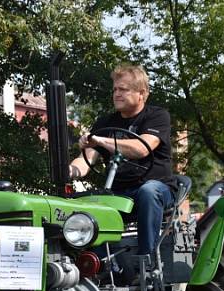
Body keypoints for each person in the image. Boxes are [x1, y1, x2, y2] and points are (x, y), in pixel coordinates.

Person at [68, 64, 175, 258]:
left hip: (158, 191)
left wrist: (100, 139)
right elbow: (86, 160)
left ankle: (147, 262)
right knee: (83, 204)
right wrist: (69, 171)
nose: (116, 94)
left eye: (123, 89)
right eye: (115, 89)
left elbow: (142, 148)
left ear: (142, 93)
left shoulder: (157, 117)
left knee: (148, 191)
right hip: (118, 193)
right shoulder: (105, 123)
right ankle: (97, 267)